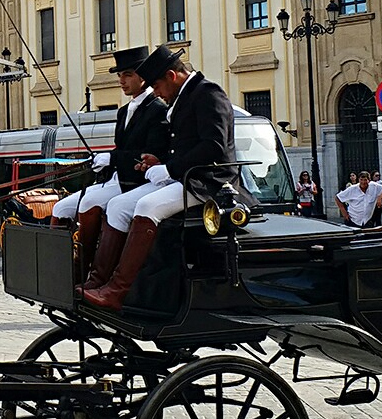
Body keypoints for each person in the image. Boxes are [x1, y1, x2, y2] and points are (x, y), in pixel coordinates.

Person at [80, 45, 241, 309]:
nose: (156, 93)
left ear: (171, 76)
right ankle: (99, 280)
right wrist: (161, 162)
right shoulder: (185, 95)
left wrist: (170, 168)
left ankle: (118, 291)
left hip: (208, 182)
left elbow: (214, 146)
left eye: (156, 86)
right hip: (185, 176)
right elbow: (185, 146)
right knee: (118, 205)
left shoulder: (208, 93)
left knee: (146, 206)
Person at [49, 48, 170, 276]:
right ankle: (63, 270)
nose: (121, 81)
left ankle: (90, 274)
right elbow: (123, 148)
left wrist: (112, 158)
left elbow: (152, 153)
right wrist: (105, 159)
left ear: (143, 77)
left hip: (137, 181)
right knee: (61, 207)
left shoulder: (157, 110)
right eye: (119, 76)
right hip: (116, 178)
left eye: (127, 75)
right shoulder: (124, 111)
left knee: (89, 203)